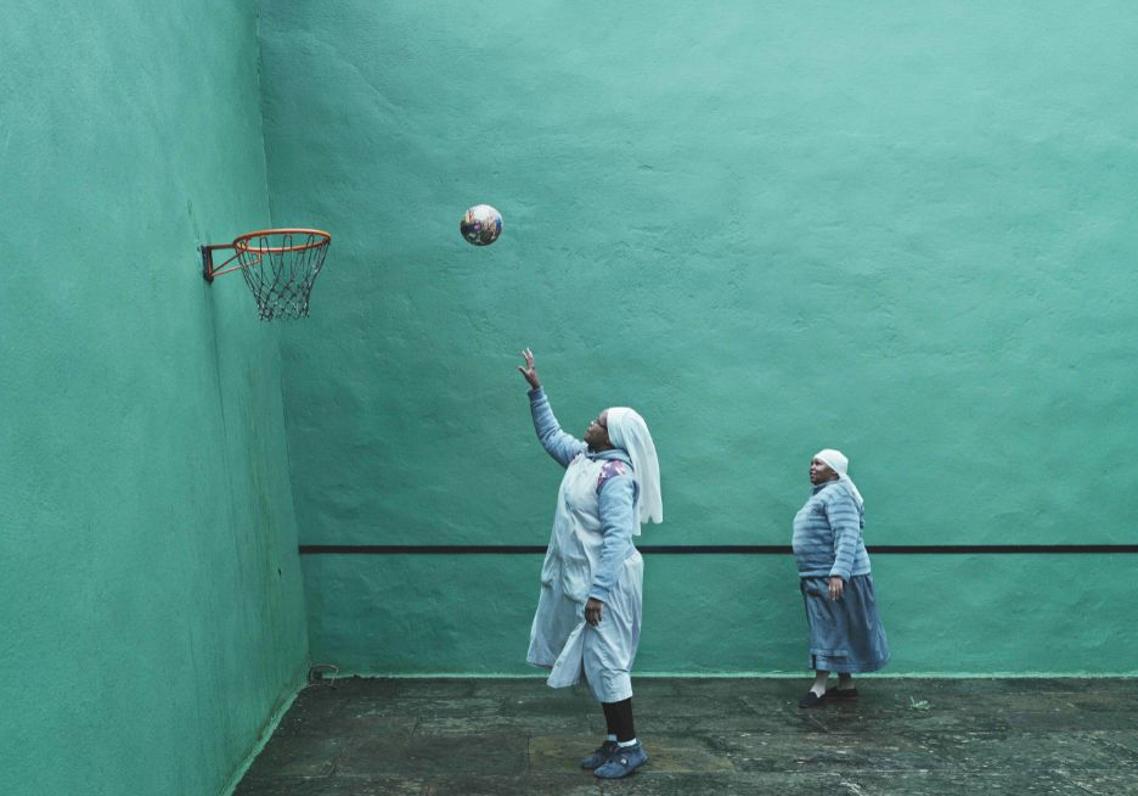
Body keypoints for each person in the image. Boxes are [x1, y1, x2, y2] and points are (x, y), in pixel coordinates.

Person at [517, 348, 663, 779]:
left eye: (600, 422)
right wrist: (537, 392)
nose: (591, 424)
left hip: (609, 585)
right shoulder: (585, 459)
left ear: (613, 435)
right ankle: (615, 741)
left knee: (608, 661)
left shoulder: (615, 476)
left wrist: (599, 592)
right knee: (597, 664)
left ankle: (631, 748)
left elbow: (618, 540)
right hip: (587, 582)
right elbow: (550, 437)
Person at [792, 449, 889, 707]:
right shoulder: (825, 494)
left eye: (818, 463)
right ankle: (846, 684)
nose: (812, 467)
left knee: (827, 628)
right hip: (819, 575)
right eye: (811, 462)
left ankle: (819, 687)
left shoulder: (838, 494)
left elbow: (847, 535)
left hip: (832, 576)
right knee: (837, 626)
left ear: (834, 471)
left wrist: (838, 574)